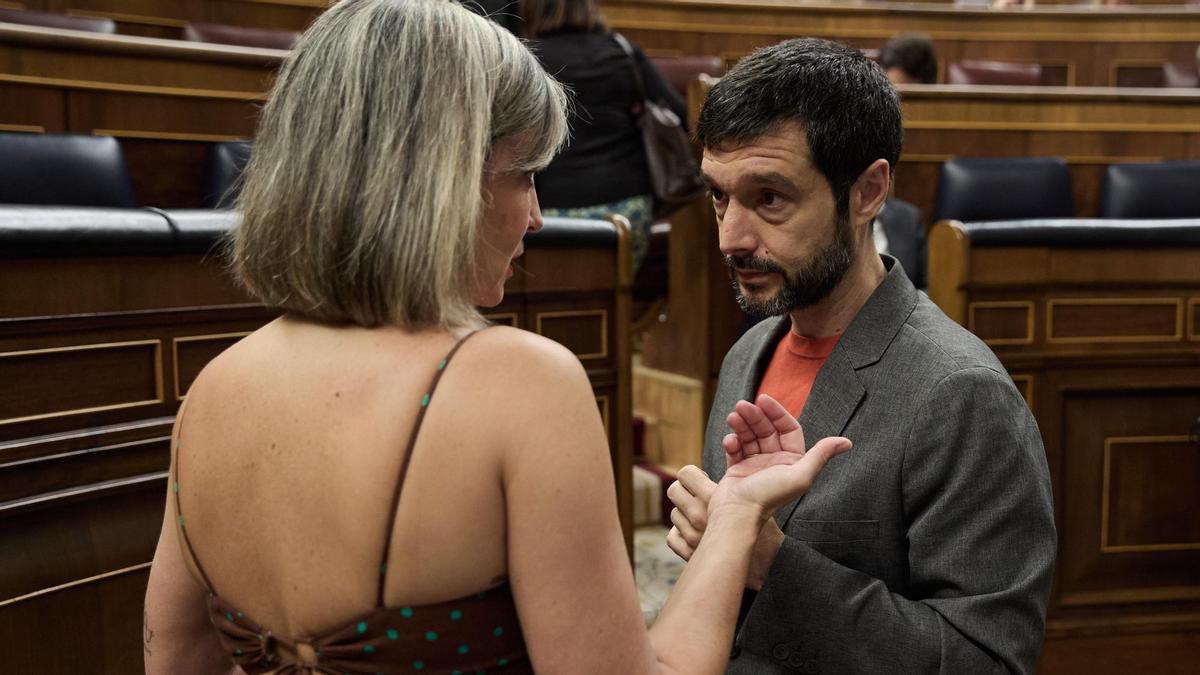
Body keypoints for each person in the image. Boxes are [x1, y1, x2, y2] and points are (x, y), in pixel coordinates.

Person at [142, 2, 851, 673]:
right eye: (525, 176)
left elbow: (172, 658)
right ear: (443, 182)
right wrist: (735, 516)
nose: (537, 216)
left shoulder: (212, 389)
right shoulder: (522, 386)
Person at [666, 38, 1056, 674]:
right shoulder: (748, 351)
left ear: (868, 192)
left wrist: (768, 563)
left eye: (770, 198)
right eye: (719, 196)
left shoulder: (960, 391)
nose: (730, 237)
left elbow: (985, 659)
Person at [520, 0, 687, 271]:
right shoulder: (622, 50)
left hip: (553, 209)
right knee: (617, 284)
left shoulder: (528, 57)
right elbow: (679, 112)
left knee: (556, 288)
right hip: (626, 206)